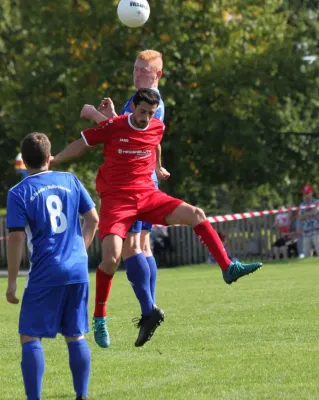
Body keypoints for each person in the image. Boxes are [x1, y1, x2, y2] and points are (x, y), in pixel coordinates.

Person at [51, 88, 263, 348]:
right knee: (111, 258)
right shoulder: (114, 126)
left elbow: (155, 142)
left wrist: (157, 167)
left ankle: (228, 268)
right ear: (132, 108)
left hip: (148, 195)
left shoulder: (156, 126)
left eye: (151, 113)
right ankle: (99, 317)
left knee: (196, 214)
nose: (146, 118)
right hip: (117, 200)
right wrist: (55, 159)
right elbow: (82, 143)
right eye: (142, 112)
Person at [6, 133, 99, 400]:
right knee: (75, 334)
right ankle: (81, 395)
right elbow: (93, 220)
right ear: (49, 158)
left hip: (46, 271)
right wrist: (80, 252)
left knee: (30, 336)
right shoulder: (70, 180)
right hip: (78, 270)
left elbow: (16, 238)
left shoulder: (19, 192)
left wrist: (12, 283)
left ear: (23, 161)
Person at [90, 49, 168, 348]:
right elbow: (124, 127)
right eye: (135, 68)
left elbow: (123, 136)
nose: (136, 74)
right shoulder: (142, 98)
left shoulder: (153, 103)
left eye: (143, 70)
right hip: (144, 180)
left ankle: (149, 310)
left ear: (157, 75)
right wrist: (111, 115)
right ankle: (150, 307)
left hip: (134, 184)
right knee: (143, 246)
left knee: (129, 248)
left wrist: (94, 116)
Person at [297, 185, 319, 258]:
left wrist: (305, 214)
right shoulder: (302, 204)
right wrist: (308, 214)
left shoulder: (317, 201)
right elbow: (300, 217)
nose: (306, 195)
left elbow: (314, 212)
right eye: (304, 193)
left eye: (307, 193)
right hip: (307, 231)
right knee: (306, 252)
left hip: (317, 230)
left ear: (311, 193)